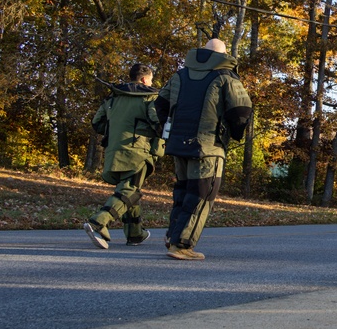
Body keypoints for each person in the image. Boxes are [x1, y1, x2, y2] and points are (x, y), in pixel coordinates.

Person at [155, 38, 252, 260]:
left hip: (178, 145)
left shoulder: (179, 75)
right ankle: (182, 245)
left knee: (182, 193)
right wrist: (234, 134)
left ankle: (173, 236)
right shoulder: (225, 76)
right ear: (223, 55)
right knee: (201, 195)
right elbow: (241, 110)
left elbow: (160, 104)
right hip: (208, 147)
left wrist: (170, 128)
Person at [83, 63, 164, 249]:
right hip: (138, 151)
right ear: (144, 79)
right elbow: (157, 123)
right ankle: (98, 222)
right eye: (151, 79)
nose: (152, 82)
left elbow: (97, 123)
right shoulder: (150, 98)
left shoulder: (112, 98)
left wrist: (117, 132)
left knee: (128, 190)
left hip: (114, 150)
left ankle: (135, 234)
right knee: (130, 190)